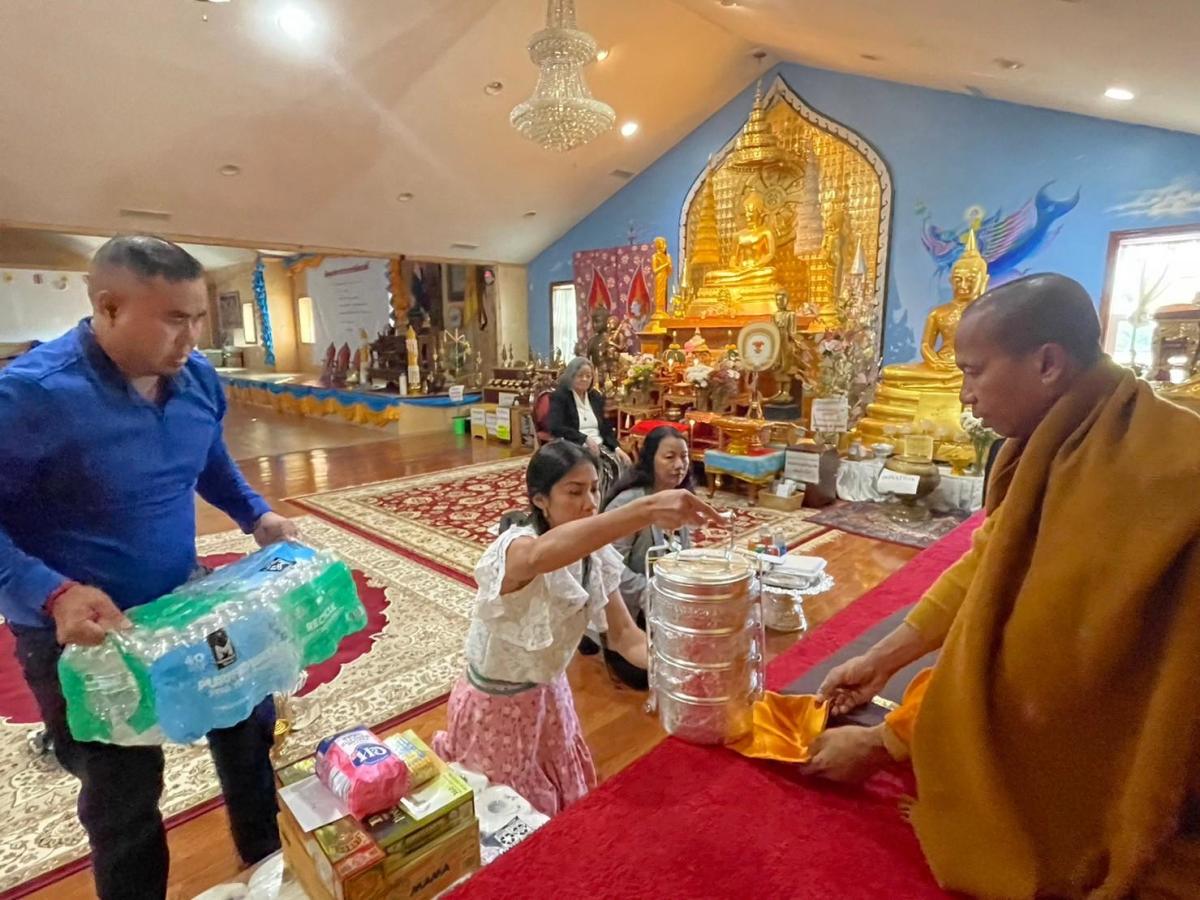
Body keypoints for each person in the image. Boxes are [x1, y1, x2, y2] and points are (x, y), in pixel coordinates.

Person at [802, 273, 1200, 898]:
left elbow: (1042, 673)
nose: (964, 396)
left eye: (973, 372)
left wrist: (884, 743)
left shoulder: (1136, 474)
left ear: (1047, 364)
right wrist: (883, 657)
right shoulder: (1067, 436)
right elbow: (989, 562)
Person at [0, 235, 299, 900]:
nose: (192, 337)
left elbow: (207, 460)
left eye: (198, 318)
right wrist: (53, 594)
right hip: (82, 638)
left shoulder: (197, 379)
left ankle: (271, 874)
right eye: (174, 319)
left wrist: (257, 515)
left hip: (188, 603)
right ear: (108, 306)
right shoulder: (30, 397)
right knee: (125, 801)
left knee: (249, 735)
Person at [433, 441, 721, 816]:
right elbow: (539, 557)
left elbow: (625, 637)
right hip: (495, 708)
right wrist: (647, 508)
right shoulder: (514, 549)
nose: (589, 503)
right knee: (508, 816)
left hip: (551, 697)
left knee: (559, 805)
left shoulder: (594, 556)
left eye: (595, 489)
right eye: (574, 492)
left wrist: (681, 668)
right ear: (540, 500)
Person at [597, 427, 694, 689]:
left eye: (684, 456)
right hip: (629, 611)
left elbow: (685, 556)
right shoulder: (629, 504)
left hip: (665, 607)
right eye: (669, 457)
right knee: (648, 677)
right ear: (650, 458)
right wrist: (649, 592)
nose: (679, 465)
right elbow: (609, 569)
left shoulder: (682, 499)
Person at [547, 356, 630, 495]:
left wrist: (617, 448)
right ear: (571, 376)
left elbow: (605, 428)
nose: (585, 379)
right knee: (602, 470)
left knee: (622, 464)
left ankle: (614, 502)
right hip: (574, 444)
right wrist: (584, 439)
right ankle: (597, 503)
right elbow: (555, 427)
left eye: (588, 376)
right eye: (580, 375)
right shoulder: (561, 396)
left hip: (599, 445)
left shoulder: (595, 397)